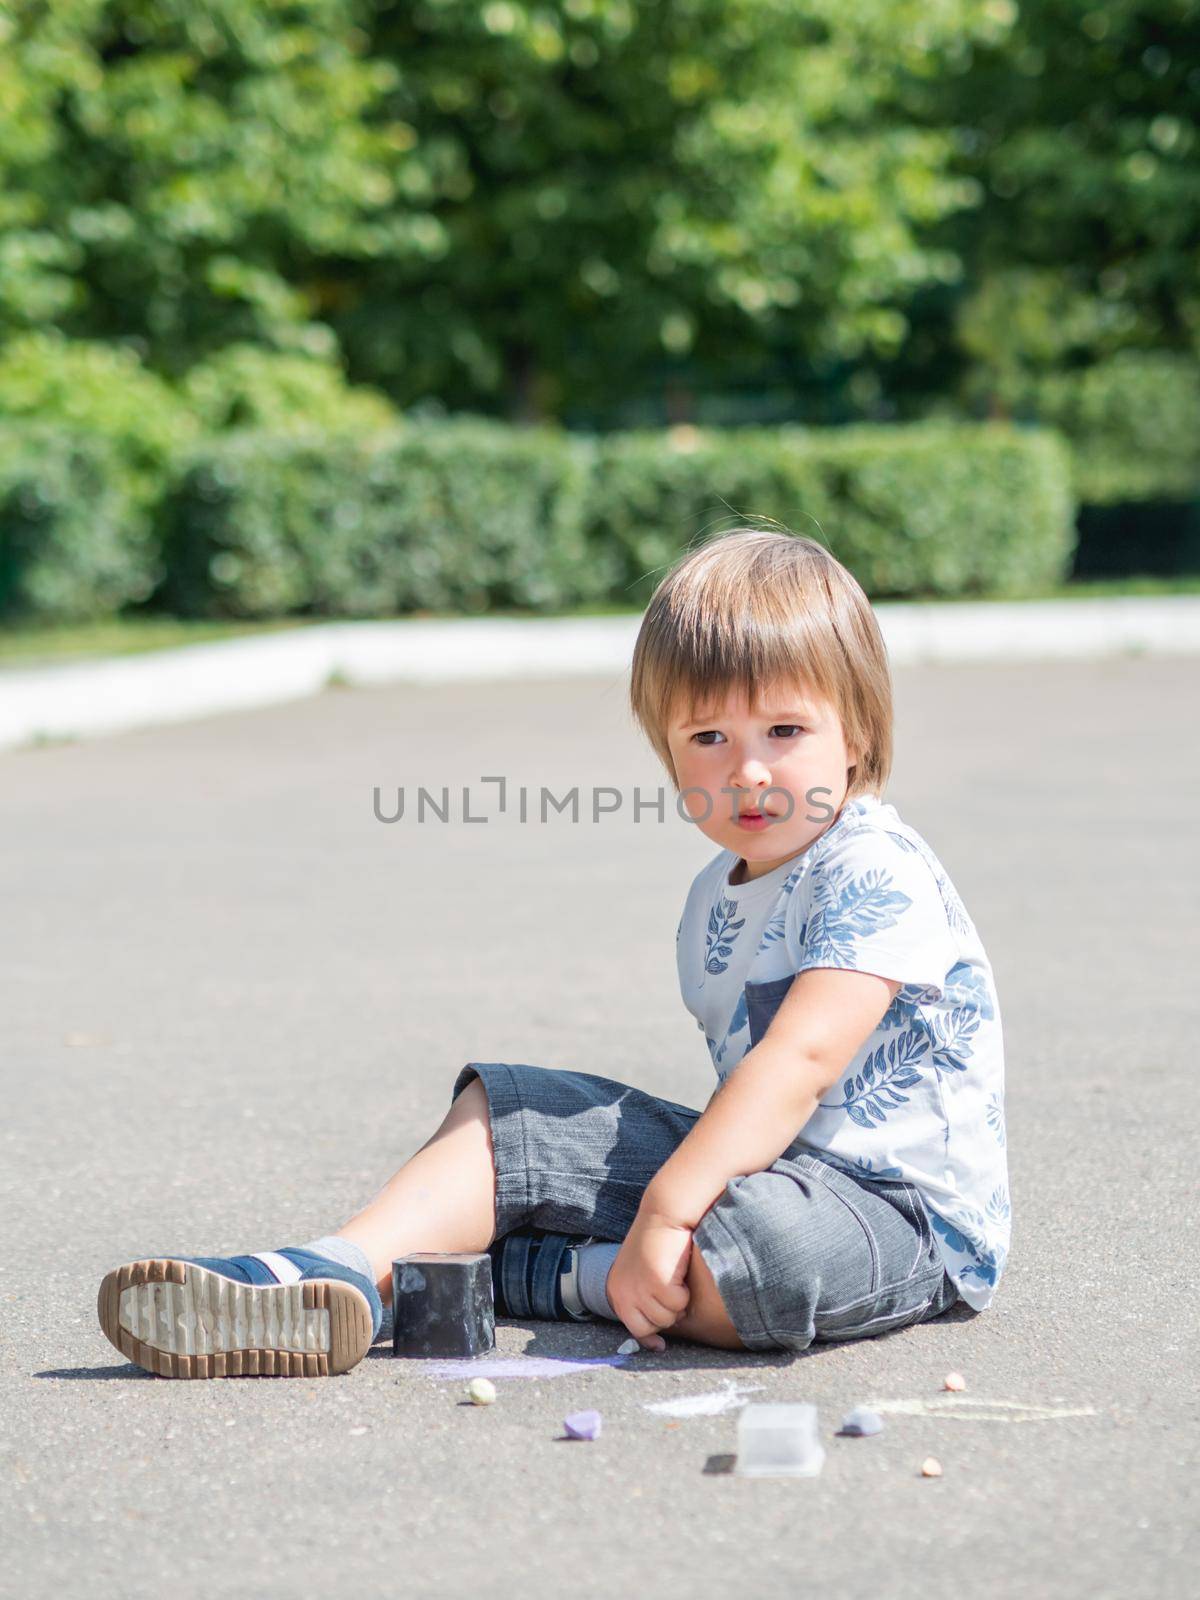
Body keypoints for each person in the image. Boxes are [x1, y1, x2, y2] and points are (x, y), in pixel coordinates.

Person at [96, 528, 1009, 1379]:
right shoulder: (711, 901)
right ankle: (336, 1274)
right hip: (761, 1173)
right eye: (708, 739)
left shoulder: (872, 865)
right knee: (516, 1115)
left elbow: (799, 1062)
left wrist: (666, 1208)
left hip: (897, 1217)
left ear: (854, 734)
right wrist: (677, 1196)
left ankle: (556, 1275)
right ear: (669, 755)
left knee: (768, 1253)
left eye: (783, 731)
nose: (749, 771)